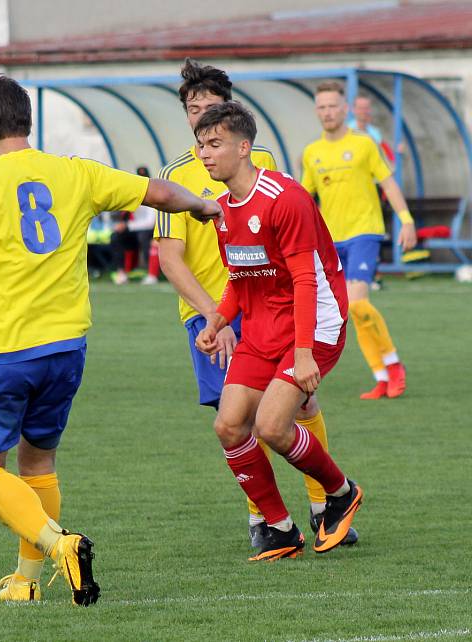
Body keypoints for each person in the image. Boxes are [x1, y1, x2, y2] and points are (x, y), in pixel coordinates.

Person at [0, 74, 221, 604]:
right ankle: (26, 583)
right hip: (66, 347)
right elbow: (157, 193)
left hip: (4, 346)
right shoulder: (75, 173)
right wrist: (202, 206)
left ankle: (58, 543)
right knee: (38, 462)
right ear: (27, 122)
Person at [155, 59, 355, 550]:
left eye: (215, 143)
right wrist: (217, 319)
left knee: (272, 423)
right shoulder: (221, 210)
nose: (204, 154)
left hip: (315, 324)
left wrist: (305, 353)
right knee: (228, 425)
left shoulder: (283, 197)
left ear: (244, 148)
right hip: (262, 322)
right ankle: (279, 528)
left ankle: (339, 493)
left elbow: (307, 280)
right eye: (201, 144)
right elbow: (241, 281)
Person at [302, 81, 417, 400]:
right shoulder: (312, 153)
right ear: (317, 112)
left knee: (358, 303)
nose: (327, 112)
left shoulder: (365, 144)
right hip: (331, 241)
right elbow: (304, 198)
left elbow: (389, 184)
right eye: (321, 107)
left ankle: (393, 365)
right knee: (350, 312)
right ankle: (381, 377)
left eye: (332, 106)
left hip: (364, 232)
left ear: (345, 109)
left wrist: (406, 219)